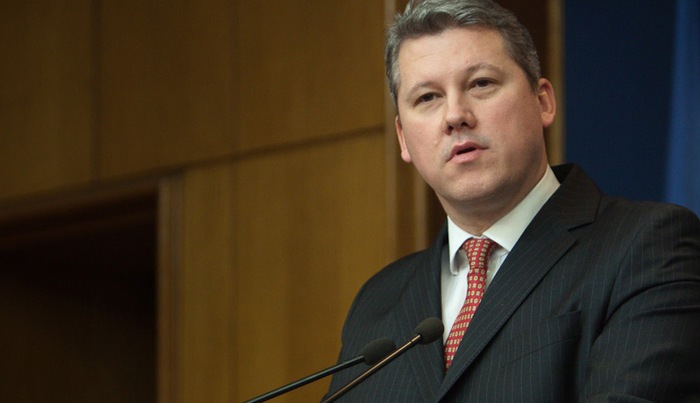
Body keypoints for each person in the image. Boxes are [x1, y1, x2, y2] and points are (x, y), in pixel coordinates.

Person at [325, 0, 700, 401]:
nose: (455, 115)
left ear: (543, 101)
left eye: (481, 84)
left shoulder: (649, 246)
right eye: (428, 97)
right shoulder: (378, 300)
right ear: (403, 138)